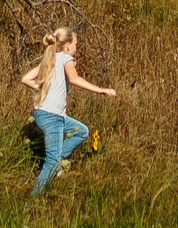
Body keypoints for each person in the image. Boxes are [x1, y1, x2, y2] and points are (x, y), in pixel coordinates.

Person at [19, 26, 116, 196]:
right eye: (76, 45)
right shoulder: (65, 59)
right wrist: (101, 90)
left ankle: (57, 159)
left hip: (43, 114)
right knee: (52, 162)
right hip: (52, 116)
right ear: (68, 45)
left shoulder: (49, 59)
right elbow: (74, 78)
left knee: (82, 131)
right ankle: (32, 199)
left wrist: (42, 89)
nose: (77, 49)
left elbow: (25, 79)